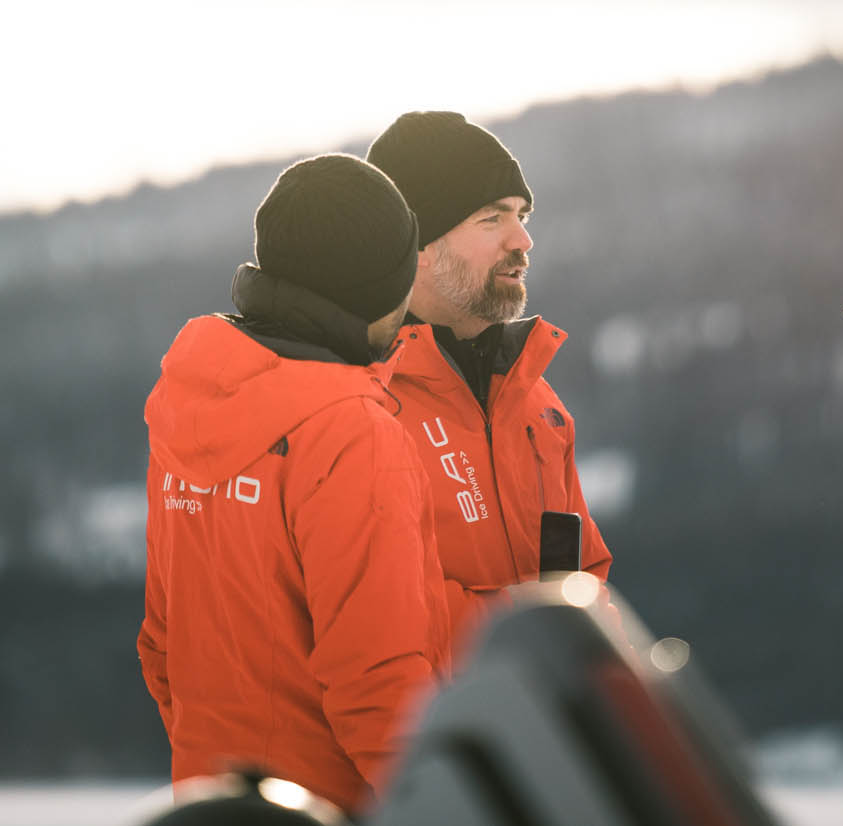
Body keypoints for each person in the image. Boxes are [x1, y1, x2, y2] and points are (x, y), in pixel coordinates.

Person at [137, 153, 449, 814]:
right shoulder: (352, 434)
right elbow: (380, 687)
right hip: (328, 809)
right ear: (376, 289)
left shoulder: (191, 406)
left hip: (213, 808)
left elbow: (162, 651)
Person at [366, 111, 613, 654]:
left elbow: (587, 581)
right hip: (442, 710)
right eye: (491, 218)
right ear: (418, 247)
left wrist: (596, 662)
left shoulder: (534, 401)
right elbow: (381, 610)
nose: (523, 239)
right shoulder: (364, 404)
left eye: (520, 215)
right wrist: (539, 642)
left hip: (542, 703)